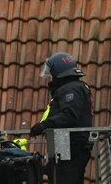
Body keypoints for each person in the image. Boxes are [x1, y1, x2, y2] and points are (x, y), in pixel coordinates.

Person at [29, 52, 93, 184]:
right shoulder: (74, 87)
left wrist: (44, 125)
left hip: (71, 147)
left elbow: (69, 115)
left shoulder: (71, 89)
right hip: (70, 146)